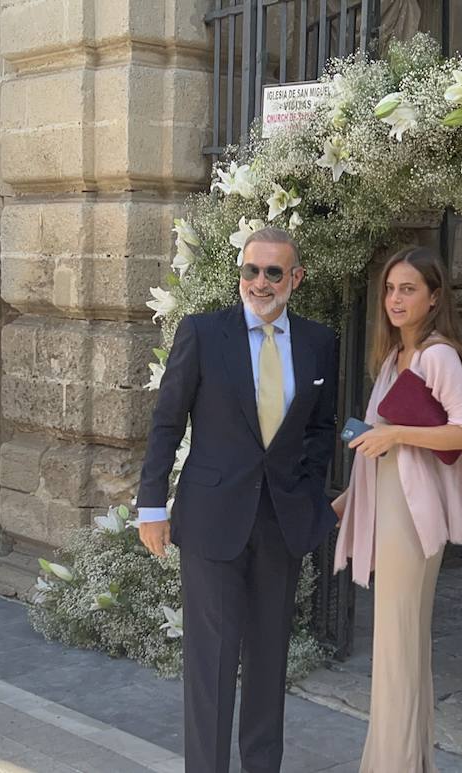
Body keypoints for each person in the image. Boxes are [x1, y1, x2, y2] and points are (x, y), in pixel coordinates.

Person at [136, 227, 338, 773]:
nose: (261, 282)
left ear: (295, 278)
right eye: (252, 270)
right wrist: (151, 505)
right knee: (212, 663)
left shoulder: (320, 342)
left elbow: (321, 431)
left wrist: (308, 493)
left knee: (270, 661)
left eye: (274, 272)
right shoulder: (203, 333)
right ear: (240, 274)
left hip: (281, 523)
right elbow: (166, 421)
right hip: (212, 521)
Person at [332, 247, 462, 772]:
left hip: (410, 514)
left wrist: (396, 433)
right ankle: (407, 762)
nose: (395, 299)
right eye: (390, 289)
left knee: (397, 645)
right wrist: (350, 497)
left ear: (434, 297)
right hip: (387, 504)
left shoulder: (437, 355)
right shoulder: (391, 360)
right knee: (400, 646)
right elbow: (379, 444)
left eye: (408, 289)